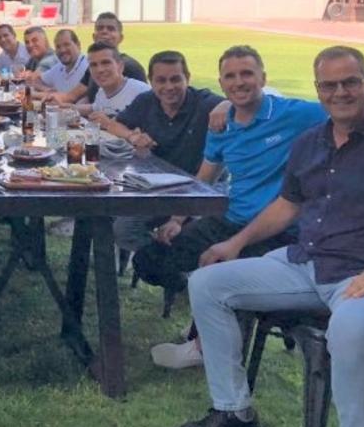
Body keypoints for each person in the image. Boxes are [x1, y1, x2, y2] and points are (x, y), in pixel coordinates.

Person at [176, 46, 364, 427]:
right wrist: (236, 242)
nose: (340, 92)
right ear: (317, 90)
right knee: (207, 283)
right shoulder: (309, 142)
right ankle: (234, 412)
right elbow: (288, 205)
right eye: (329, 85)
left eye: (350, 82)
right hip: (306, 262)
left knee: (350, 330)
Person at [136, 46, 331, 369]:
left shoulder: (295, 114)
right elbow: (205, 177)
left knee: (217, 267)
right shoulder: (221, 123)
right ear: (221, 83)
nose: (239, 82)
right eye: (230, 76)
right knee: (150, 260)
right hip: (229, 219)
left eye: (247, 74)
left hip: (278, 229)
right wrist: (177, 219)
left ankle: (204, 346)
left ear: (263, 78)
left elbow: (354, 109)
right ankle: (210, 314)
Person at [98, 51, 225, 253]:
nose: (169, 87)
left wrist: (226, 105)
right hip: (159, 189)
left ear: (187, 78)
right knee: (124, 227)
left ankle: (173, 262)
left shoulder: (204, 103)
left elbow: (240, 103)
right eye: (161, 80)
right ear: (151, 81)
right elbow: (115, 125)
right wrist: (132, 136)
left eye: (175, 79)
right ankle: (162, 263)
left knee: (191, 234)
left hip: (202, 189)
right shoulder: (146, 101)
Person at [53, 12, 147, 105]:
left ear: (120, 38)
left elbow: (144, 105)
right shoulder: (93, 64)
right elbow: (75, 96)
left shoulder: (131, 67)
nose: (104, 32)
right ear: (94, 37)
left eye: (111, 29)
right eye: (100, 28)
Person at [48, 42, 149, 118]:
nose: (99, 70)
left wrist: (108, 124)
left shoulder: (140, 92)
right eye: (93, 65)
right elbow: (93, 108)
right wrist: (61, 107)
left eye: (106, 63)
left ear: (120, 66)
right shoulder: (102, 92)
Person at [28, 29, 87, 95]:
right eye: (58, 47)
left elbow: (70, 98)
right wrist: (47, 90)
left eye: (67, 45)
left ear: (78, 45)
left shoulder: (88, 66)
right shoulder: (59, 67)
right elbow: (36, 80)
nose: (62, 50)